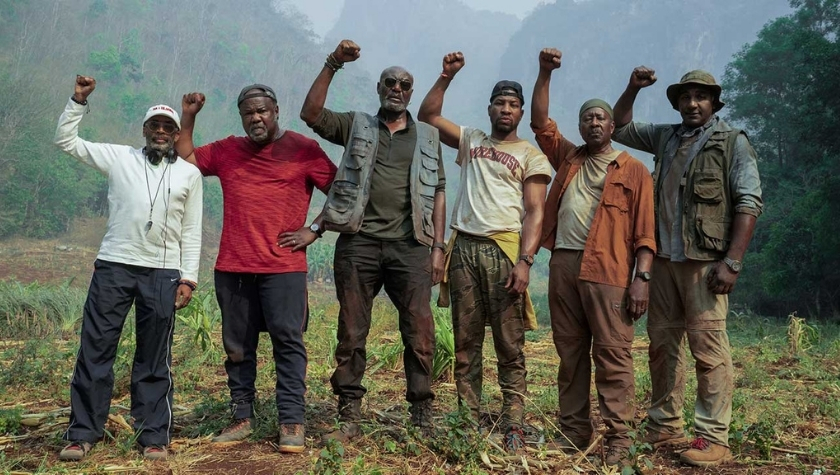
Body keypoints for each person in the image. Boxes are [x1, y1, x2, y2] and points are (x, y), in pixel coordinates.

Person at [611, 67, 763, 466]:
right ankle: (665, 424)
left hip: (704, 263)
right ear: (677, 103)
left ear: (714, 102)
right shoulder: (666, 136)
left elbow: (749, 202)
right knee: (663, 347)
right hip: (663, 260)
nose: (692, 104)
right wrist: (633, 88)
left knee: (708, 349)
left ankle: (713, 437)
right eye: (685, 97)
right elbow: (620, 127)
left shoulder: (732, 142)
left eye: (700, 97)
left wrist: (732, 262)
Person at [174, 84, 337, 453]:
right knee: (238, 347)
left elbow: (342, 189)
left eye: (262, 111)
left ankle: (292, 421)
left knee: (288, 343)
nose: (256, 118)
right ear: (241, 116)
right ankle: (242, 417)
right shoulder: (229, 149)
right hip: (233, 266)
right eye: (248, 113)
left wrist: (314, 229)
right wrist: (189, 116)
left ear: (276, 110)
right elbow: (186, 158)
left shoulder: (303, 149)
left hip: (284, 268)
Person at [299, 39, 446, 443]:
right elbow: (311, 113)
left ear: (411, 93)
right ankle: (348, 415)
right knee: (351, 329)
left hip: (411, 246)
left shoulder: (429, 138)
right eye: (389, 83)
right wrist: (333, 64)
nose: (396, 89)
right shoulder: (357, 125)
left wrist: (438, 248)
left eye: (404, 84)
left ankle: (422, 413)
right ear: (379, 89)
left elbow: (439, 194)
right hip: (359, 243)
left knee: (419, 330)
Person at [54, 75, 203, 461]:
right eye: (154, 125)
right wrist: (78, 101)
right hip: (115, 266)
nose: (160, 131)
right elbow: (66, 142)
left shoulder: (189, 174)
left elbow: (192, 229)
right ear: (144, 130)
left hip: (163, 272)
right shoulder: (121, 157)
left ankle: (153, 436)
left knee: (154, 357)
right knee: (96, 350)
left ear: (174, 134)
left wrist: (189, 277)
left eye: (167, 127)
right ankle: (83, 433)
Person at [418, 51, 550, 453]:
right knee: (466, 343)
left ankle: (514, 424)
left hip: (504, 250)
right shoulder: (472, 139)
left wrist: (526, 262)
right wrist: (446, 76)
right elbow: (427, 116)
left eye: (513, 104)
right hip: (464, 250)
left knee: (510, 345)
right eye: (500, 103)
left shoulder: (531, 154)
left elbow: (534, 212)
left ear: (521, 111)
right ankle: (467, 421)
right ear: (489, 108)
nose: (505, 109)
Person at [529, 48, 656, 466]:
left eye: (601, 117)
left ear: (613, 125)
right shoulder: (569, 158)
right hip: (563, 264)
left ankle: (619, 438)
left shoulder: (633, 169)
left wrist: (642, 279)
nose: (594, 123)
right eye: (588, 118)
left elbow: (645, 233)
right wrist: (545, 72)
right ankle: (574, 432)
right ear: (581, 125)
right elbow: (540, 124)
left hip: (610, 270)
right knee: (569, 352)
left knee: (613, 353)